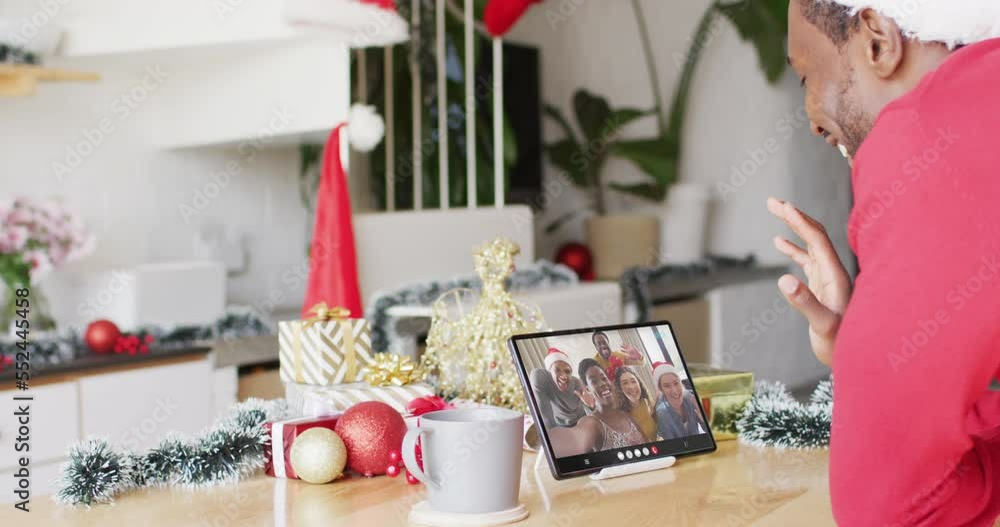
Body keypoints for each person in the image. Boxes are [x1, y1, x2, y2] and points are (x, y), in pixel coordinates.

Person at [774, 1, 1000, 524]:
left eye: (807, 73)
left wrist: (870, 362)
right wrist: (868, 353)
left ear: (877, 40)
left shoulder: (930, 137)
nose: (810, 119)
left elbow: (889, 511)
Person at [546, 358, 646, 457]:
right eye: (594, 382)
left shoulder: (627, 416)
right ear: (588, 389)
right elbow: (574, 443)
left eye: (604, 378)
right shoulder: (592, 423)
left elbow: (648, 444)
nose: (602, 383)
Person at [529, 348, 593, 429]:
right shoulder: (544, 379)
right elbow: (536, 374)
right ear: (549, 372)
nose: (563, 376)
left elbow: (593, 410)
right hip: (562, 427)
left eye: (567, 371)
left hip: (583, 423)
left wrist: (592, 406)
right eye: (557, 370)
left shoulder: (577, 383)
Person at [651, 362, 706, 440]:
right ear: (661, 389)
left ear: (680, 382)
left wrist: (704, 418)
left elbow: (710, 433)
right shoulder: (661, 413)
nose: (674, 390)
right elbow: (672, 445)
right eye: (667, 386)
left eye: (676, 383)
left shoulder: (691, 397)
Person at [613, 365, 658, 441]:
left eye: (633, 381)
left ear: (639, 383)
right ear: (620, 389)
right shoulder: (621, 415)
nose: (631, 386)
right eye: (625, 383)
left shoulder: (646, 402)